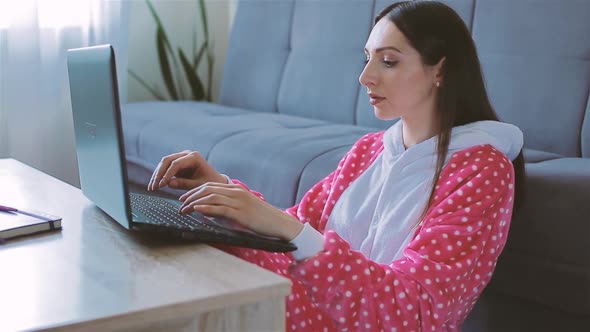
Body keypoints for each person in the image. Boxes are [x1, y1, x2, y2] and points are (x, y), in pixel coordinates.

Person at [148, 1, 526, 331]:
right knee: (191, 257)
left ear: (440, 70)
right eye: (368, 58)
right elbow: (295, 234)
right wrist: (225, 194)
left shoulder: (481, 171)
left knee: (207, 295)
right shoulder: (369, 151)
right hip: (318, 311)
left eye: (389, 61)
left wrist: (284, 226)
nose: (366, 77)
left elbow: (414, 313)